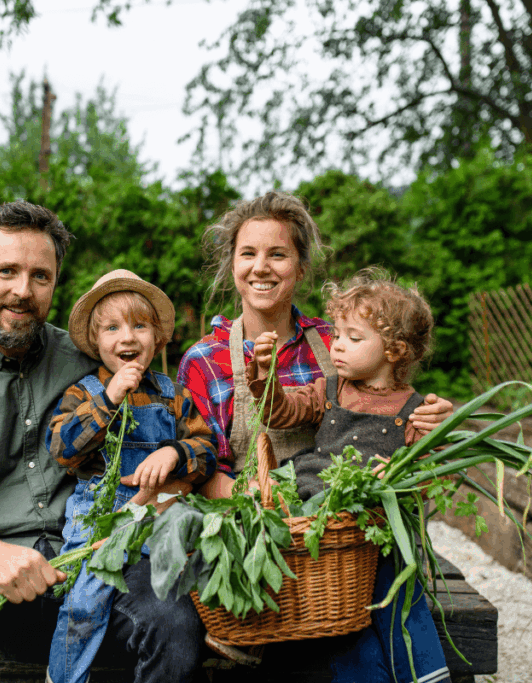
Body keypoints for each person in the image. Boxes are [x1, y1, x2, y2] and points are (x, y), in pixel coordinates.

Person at [0, 202, 203, 683]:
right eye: (6, 271)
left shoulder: (90, 359)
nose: (23, 291)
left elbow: (171, 428)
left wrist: (162, 485)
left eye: (40, 276)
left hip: (98, 556)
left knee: (173, 620)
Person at [176, 191, 453, 682]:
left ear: (301, 268)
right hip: (265, 548)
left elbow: (396, 413)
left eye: (278, 254)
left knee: (367, 637)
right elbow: (200, 468)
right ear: (233, 264)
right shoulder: (204, 360)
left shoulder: (338, 339)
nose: (261, 267)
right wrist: (260, 501)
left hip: (346, 553)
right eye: (248, 253)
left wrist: (432, 422)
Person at [249, 267, 450, 683]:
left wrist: (414, 463)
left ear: (395, 350)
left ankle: (426, 675)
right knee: (346, 623)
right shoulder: (329, 389)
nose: (337, 345)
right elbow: (279, 413)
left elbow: (431, 477)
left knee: (400, 599)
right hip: (322, 523)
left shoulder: (414, 411)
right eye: (337, 334)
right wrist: (265, 376)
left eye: (353, 338)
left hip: (375, 532)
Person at [46, 269, 217, 683]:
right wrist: (109, 399)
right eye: (112, 328)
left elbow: (207, 451)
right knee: (83, 603)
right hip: (100, 521)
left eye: (140, 326)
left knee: (192, 583)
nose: (127, 337)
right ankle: (63, 677)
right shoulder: (84, 392)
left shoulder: (173, 395)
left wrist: (175, 452)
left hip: (158, 517)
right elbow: (62, 449)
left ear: (157, 338)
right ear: (96, 341)